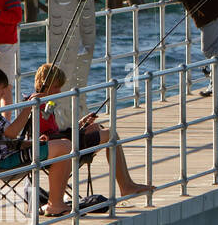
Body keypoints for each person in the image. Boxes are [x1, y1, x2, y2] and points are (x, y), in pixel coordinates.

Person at [27, 63, 153, 198]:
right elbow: (48, 138)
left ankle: (127, 185)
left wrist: (81, 124)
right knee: (111, 134)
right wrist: (81, 132)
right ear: (44, 84)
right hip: (59, 150)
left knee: (107, 132)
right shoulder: (38, 106)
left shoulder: (43, 102)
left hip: (62, 144)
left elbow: (55, 133)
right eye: (56, 87)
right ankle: (126, 186)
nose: (59, 91)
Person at [0, 65, 76, 216]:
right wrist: (29, 106)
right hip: (4, 161)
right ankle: (55, 204)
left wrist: (32, 143)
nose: (3, 94)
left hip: (1, 154)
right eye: (1, 89)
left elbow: (4, 137)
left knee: (64, 145)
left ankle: (56, 201)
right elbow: (11, 133)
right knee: (65, 146)